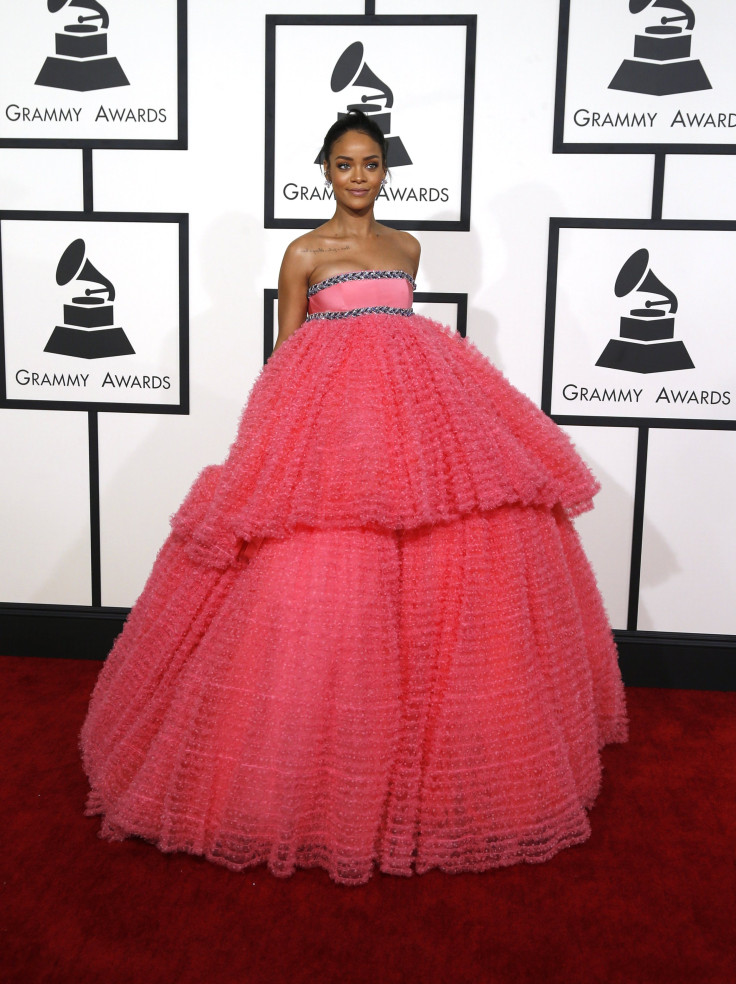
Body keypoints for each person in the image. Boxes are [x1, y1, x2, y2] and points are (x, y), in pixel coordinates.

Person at [80, 111, 627, 887]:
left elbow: (396, 336)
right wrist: (269, 449)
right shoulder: (303, 254)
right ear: (325, 170)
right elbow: (287, 353)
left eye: (371, 163)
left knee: (442, 555)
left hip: (415, 423)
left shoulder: (407, 247)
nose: (360, 176)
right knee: (321, 575)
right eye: (345, 164)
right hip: (332, 430)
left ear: (384, 170)